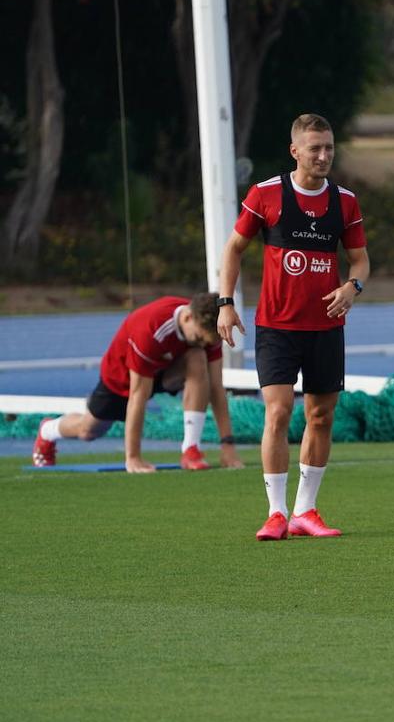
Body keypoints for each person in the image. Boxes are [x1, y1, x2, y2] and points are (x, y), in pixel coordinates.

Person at [218, 113, 369, 541]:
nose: (323, 156)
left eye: (329, 148)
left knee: (320, 416)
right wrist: (226, 304)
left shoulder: (345, 201)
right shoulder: (266, 194)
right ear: (295, 151)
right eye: (315, 148)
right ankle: (276, 513)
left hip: (325, 327)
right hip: (277, 326)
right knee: (279, 412)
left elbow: (360, 260)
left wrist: (352, 287)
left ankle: (306, 510)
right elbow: (233, 249)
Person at [32, 293, 244, 473]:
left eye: (207, 342)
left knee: (197, 356)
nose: (204, 343)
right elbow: (138, 396)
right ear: (188, 317)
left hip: (167, 368)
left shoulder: (207, 332)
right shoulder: (151, 329)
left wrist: (228, 446)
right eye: (199, 338)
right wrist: (133, 457)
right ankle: (47, 430)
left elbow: (216, 387)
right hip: (122, 378)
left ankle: (191, 449)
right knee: (88, 431)